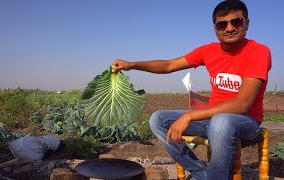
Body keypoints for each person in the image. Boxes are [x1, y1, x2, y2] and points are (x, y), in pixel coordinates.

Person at [112, 0, 272, 179]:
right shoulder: (208, 51)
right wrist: (131, 65)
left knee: (221, 122)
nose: (229, 28)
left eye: (236, 21)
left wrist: (190, 115)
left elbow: (242, 105)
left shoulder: (259, 52)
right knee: (158, 119)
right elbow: (169, 65)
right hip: (213, 120)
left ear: (247, 23)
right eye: (222, 24)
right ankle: (201, 173)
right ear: (215, 28)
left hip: (246, 122)